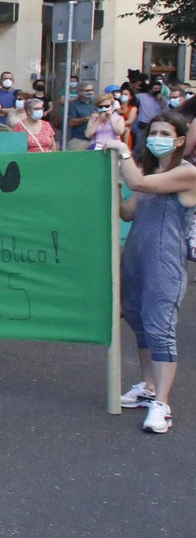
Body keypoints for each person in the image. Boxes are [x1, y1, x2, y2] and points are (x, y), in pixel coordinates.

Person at [101, 114, 196, 434]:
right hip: (137, 259)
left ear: (179, 140)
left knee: (160, 329)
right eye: (153, 132)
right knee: (140, 324)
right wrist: (112, 182)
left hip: (164, 263)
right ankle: (149, 387)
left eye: (164, 133)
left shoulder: (187, 173)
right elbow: (129, 210)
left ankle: (162, 403)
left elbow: (138, 183)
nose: (157, 137)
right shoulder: (153, 172)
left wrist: (122, 152)